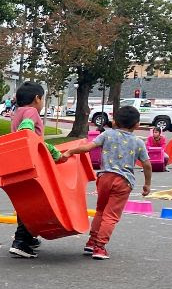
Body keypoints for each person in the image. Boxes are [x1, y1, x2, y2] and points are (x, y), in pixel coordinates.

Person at [63, 105, 151, 260]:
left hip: (104, 178)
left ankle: (91, 242)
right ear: (137, 125)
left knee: (101, 211)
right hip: (123, 181)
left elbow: (88, 147)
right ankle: (100, 246)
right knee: (111, 215)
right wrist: (147, 184)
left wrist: (70, 151)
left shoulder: (107, 134)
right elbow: (147, 164)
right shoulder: (138, 142)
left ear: (115, 121)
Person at [7, 82, 66, 258]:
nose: (43, 103)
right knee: (33, 203)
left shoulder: (17, 113)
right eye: (43, 100)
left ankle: (28, 236)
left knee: (25, 201)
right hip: (31, 162)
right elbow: (28, 132)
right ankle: (21, 241)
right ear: (37, 98)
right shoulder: (31, 112)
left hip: (19, 162)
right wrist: (53, 151)